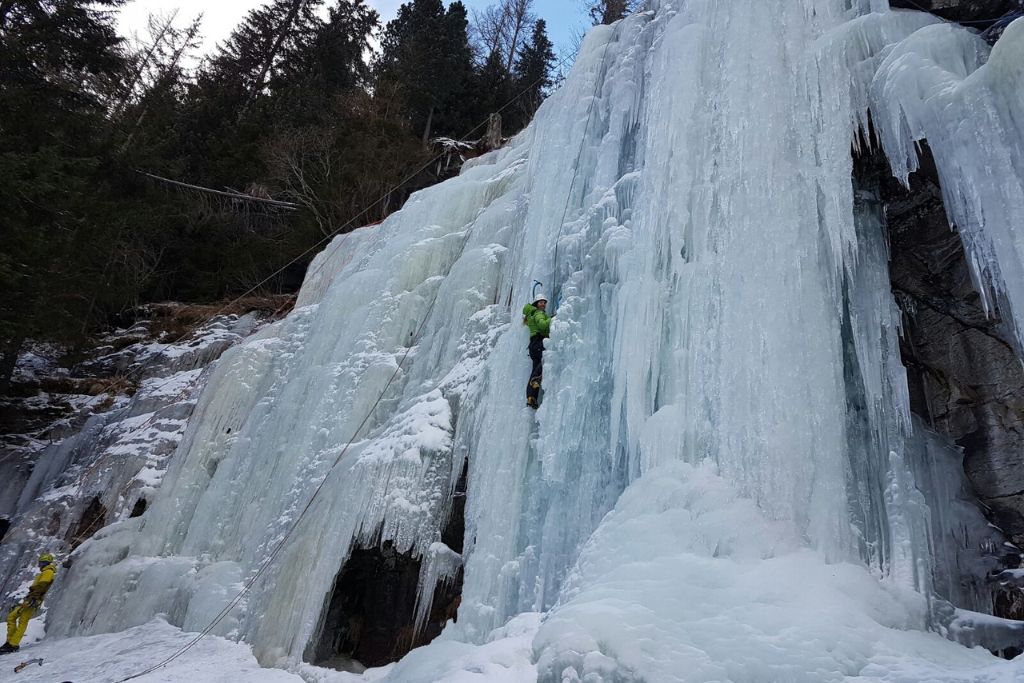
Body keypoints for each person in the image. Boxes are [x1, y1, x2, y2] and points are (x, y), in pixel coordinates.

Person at [0, 553, 57, 654]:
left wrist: (34, 598)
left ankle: (13, 644)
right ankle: (9, 642)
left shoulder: (48, 572)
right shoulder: (44, 572)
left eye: (41, 562)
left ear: (44, 562)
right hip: (31, 598)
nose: (39, 564)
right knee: (12, 617)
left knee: (22, 620)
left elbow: (42, 585)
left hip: (34, 599)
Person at [522, 292, 552, 408]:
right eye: (541, 302)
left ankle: (531, 398)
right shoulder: (538, 313)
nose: (543, 304)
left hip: (533, 345)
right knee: (545, 359)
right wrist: (552, 319)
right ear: (536, 304)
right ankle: (536, 378)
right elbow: (543, 326)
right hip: (538, 342)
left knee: (536, 367)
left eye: (544, 302)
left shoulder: (531, 314)